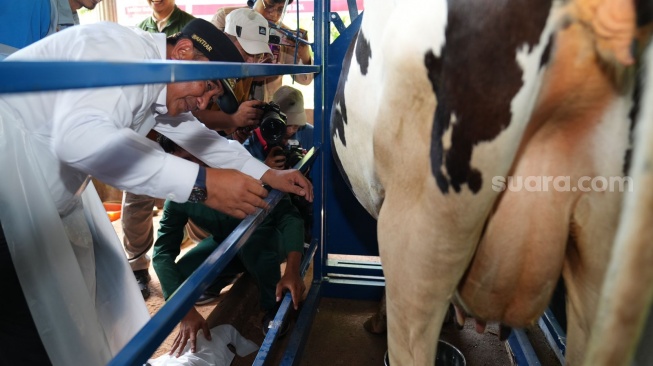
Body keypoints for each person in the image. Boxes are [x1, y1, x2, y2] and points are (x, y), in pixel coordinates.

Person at [0, 18, 312, 365]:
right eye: (208, 86)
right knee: (31, 325)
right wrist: (202, 185)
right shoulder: (120, 55)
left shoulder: (160, 79)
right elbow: (77, 139)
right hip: (9, 190)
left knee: (85, 306)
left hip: (41, 190)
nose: (204, 101)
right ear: (182, 51)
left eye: (214, 96)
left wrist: (269, 173)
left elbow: (201, 139)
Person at [153, 135, 305, 356]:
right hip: (225, 242)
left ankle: (273, 307)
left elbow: (290, 218)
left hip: (266, 236)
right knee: (183, 274)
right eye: (182, 162)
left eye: (193, 156)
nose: (191, 166)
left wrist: (293, 269)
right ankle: (227, 275)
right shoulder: (179, 194)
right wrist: (183, 308)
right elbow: (162, 254)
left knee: (255, 249)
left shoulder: (240, 167)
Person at [125, 0, 196, 300]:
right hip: (144, 128)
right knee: (137, 195)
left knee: (183, 189)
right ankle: (138, 265)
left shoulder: (190, 29)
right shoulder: (139, 32)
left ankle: (177, 253)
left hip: (176, 123)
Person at [211, 0, 314, 102]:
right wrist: (253, 74)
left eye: (280, 9)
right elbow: (211, 62)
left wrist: (304, 54)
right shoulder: (226, 18)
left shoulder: (283, 35)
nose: (273, 15)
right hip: (227, 106)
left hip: (265, 107)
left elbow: (304, 79)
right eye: (269, 6)